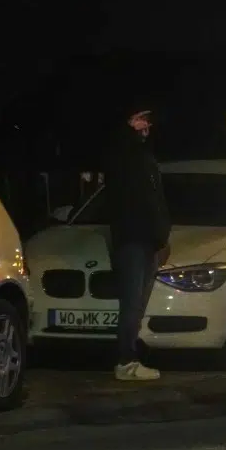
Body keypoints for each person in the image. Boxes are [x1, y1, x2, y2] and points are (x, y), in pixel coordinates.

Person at [99, 97, 171, 382]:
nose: (145, 125)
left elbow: (155, 200)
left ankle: (131, 355)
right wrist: (126, 132)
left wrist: (161, 236)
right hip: (132, 239)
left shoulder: (143, 155)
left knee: (137, 303)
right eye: (140, 119)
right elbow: (130, 197)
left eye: (147, 120)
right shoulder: (123, 153)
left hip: (147, 239)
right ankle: (126, 361)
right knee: (131, 302)